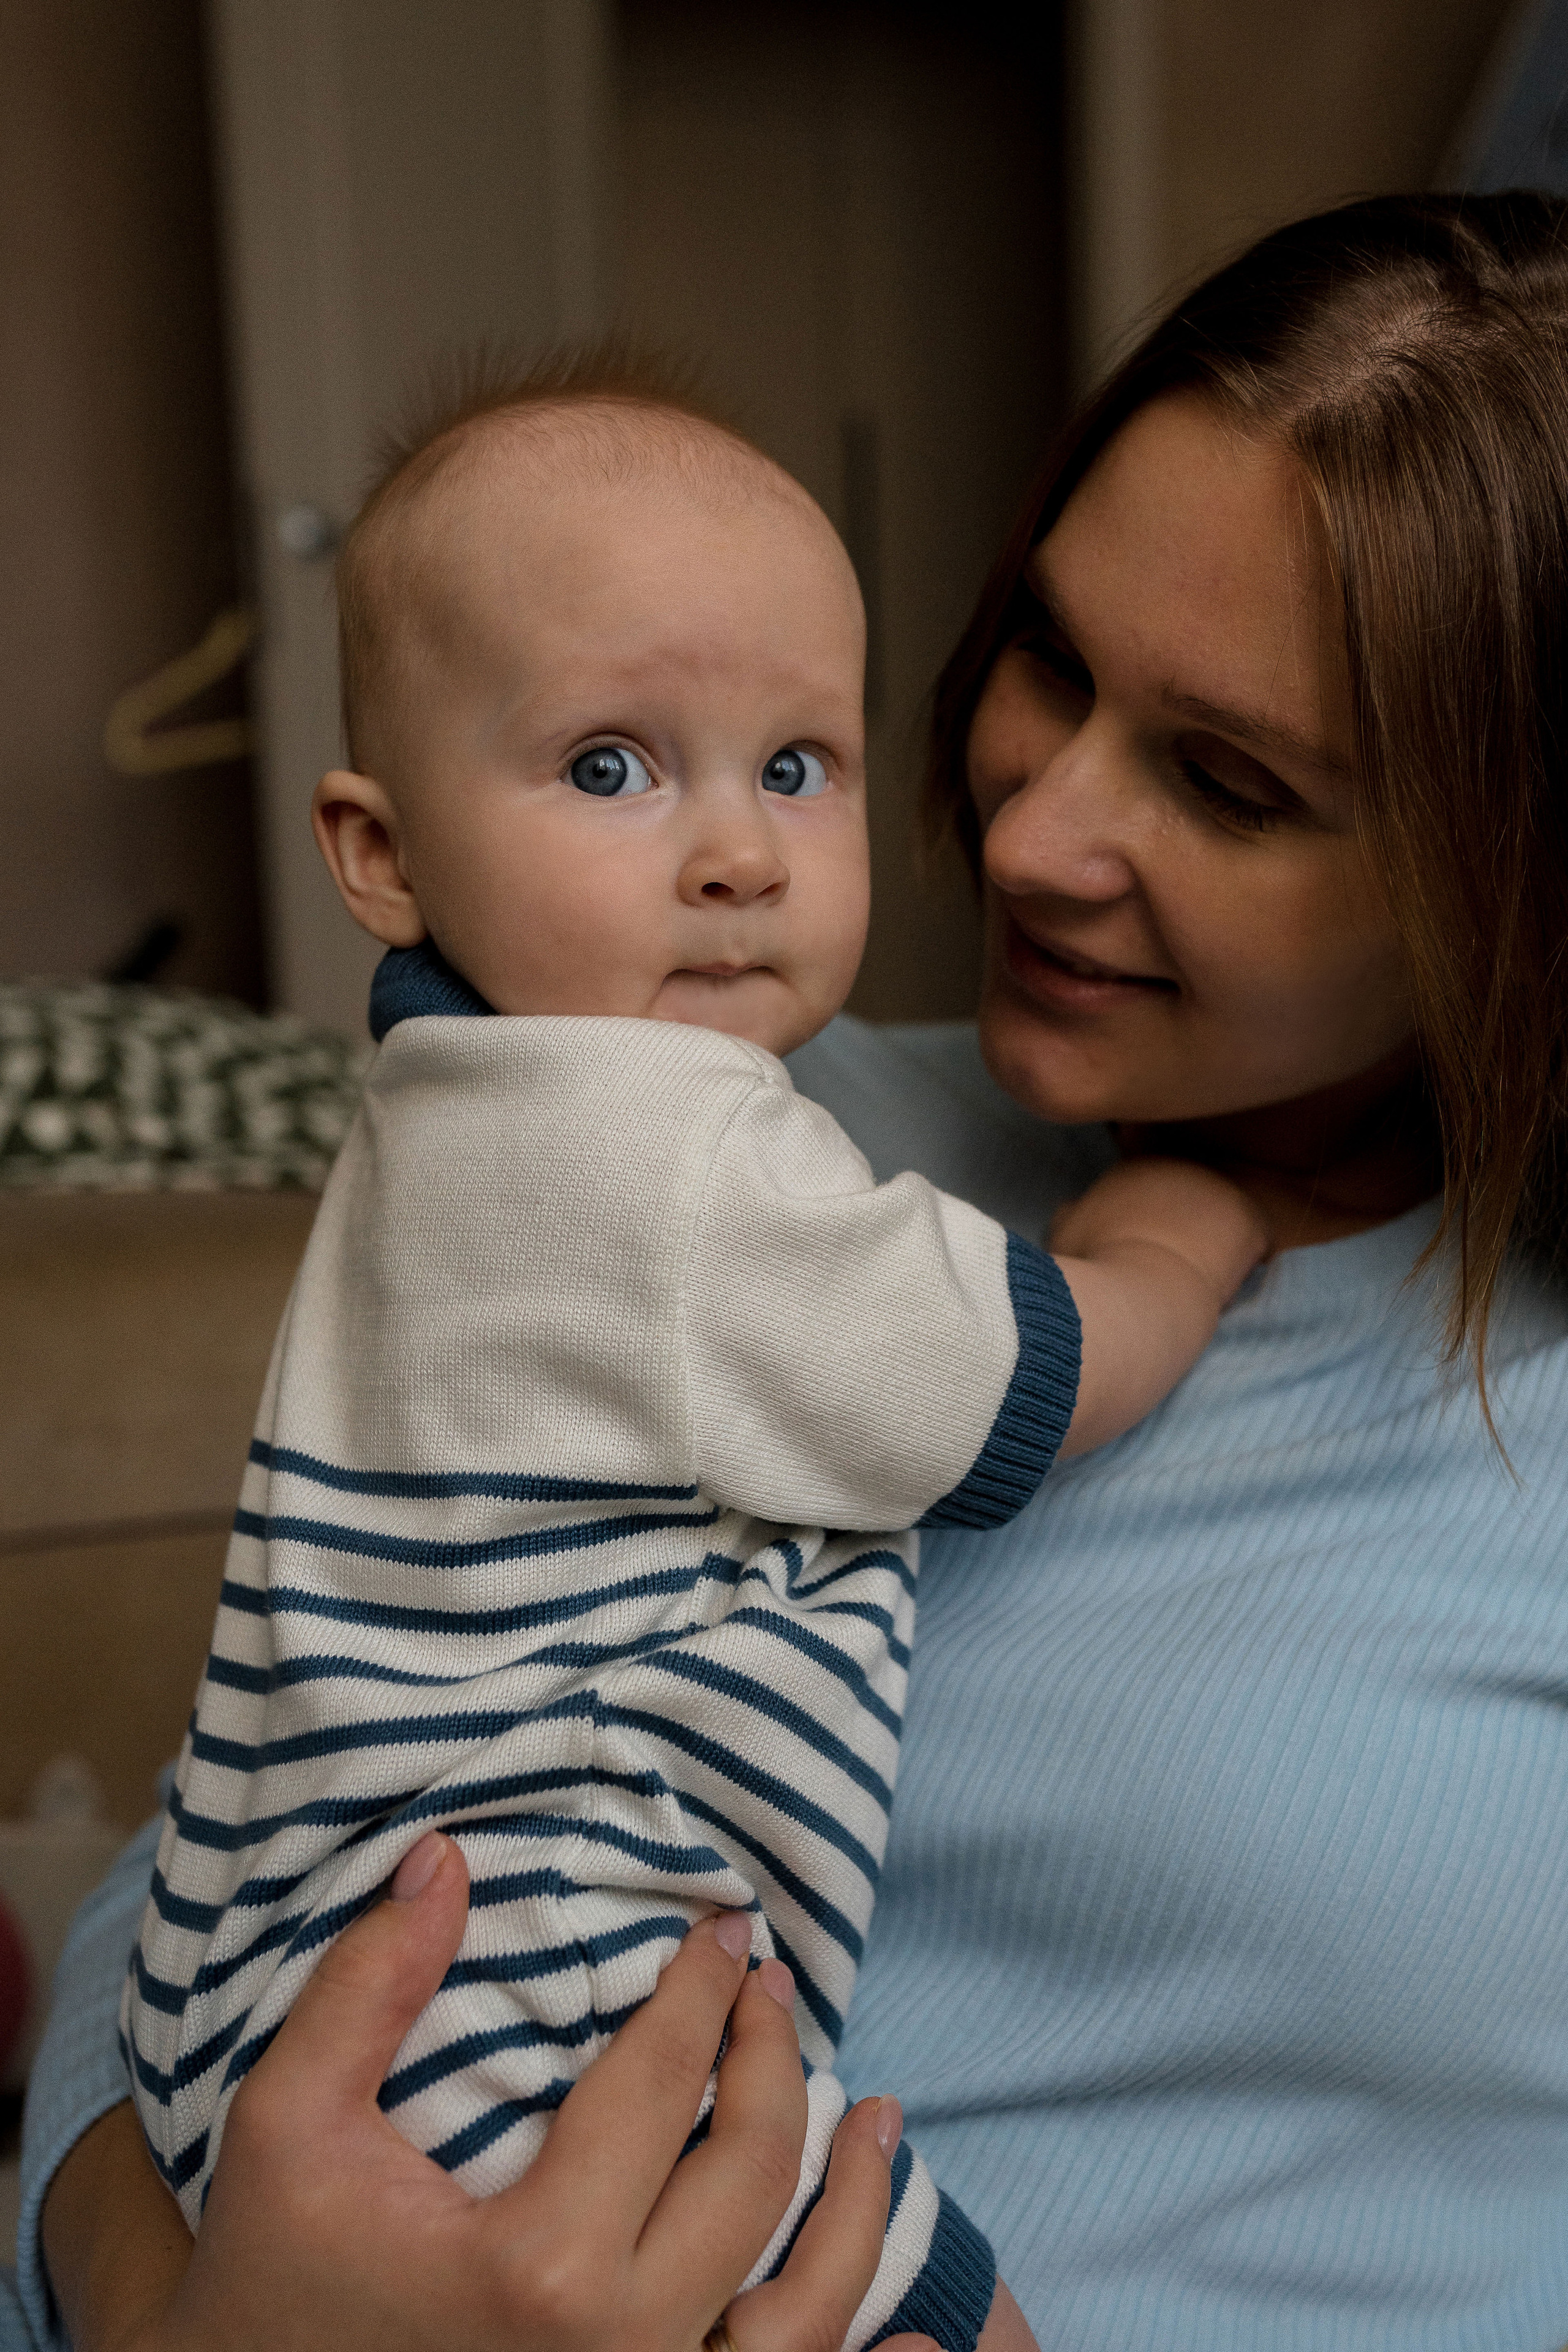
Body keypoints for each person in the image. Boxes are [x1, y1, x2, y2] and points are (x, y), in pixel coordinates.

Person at [18, 186, 1568, 2350]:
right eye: (1046, 655)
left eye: (1224, 777)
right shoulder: (696, 1122)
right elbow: (229, 1837)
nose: (1026, 830)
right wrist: (177, 2304)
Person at [116, 363, 1262, 2352]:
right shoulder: (660, 1156)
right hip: (536, 2008)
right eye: (613, 769)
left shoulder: (448, 1117)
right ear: (380, 855)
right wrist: (1174, 1237)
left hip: (263, 1998)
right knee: (940, 2309)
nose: (737, 852)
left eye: (796, 766)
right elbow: (1019, 1375)